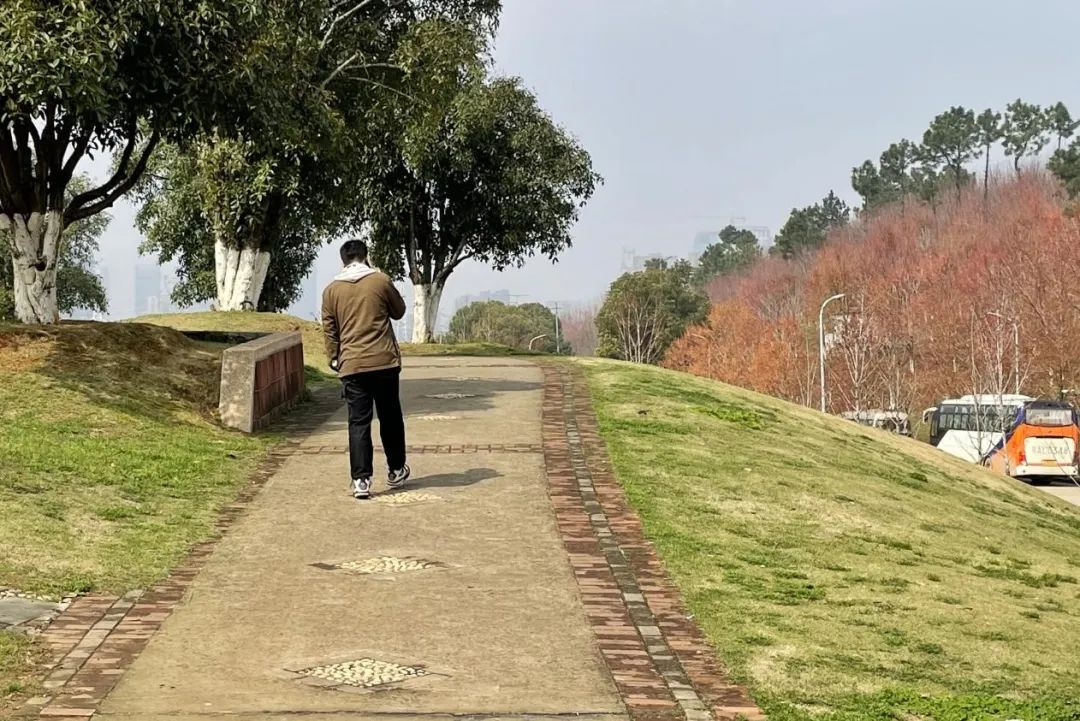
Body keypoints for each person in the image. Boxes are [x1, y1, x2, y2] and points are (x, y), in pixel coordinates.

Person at [321, 239, 410, 499]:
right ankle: (396, 469)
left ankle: (361, 480)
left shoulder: (331, 290)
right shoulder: (380, 281)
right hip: (383, 361)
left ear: (343, 260)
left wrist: (334, 357)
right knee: (390, 417)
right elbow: (399, 311)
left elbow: (330, 329)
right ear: (365, 255)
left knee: (358, 422)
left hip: (352, 364)